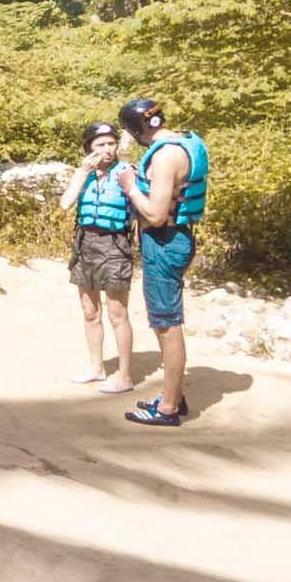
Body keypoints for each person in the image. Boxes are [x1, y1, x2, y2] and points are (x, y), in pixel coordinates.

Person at [113, 97, 209, 427]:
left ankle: (168, 408)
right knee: (163, 322)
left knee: (167, 325)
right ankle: (174, 396)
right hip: (173, 239)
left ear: (138, 129)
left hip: (166, 242)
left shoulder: (166, 156)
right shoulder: (180, 143)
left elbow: (154, 214)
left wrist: (129, 187)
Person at [59, 121, 137, 394]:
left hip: (115, 246)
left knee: (118, 314)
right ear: (89, 149)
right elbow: (66, 203)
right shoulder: (85, 175)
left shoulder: (126, 172)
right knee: (90, 312)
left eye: (111, 144)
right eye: (100, 145)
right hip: (85, 244)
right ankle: (96, 367)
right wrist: (82, 172)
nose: (107, 150)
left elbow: (141, 211)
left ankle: (125, 375)